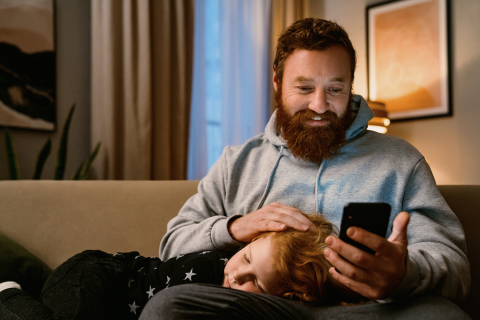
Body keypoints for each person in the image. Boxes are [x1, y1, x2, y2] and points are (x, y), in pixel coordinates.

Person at [143, 18, 471, 319]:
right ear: (277, 82)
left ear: (350, 86)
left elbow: (455, 267)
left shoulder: (400, 161)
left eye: (335, 89)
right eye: (304, 88)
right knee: (168, 307)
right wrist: (236, 227)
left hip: (364, 311)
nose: (319, 105)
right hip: (262, 309)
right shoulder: (238, 161)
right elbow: (172, 244)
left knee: (443, 315)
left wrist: (402, 274)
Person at [0, 214, 364, 319]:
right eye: (247, 259)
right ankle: (9, 295)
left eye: (255, 281)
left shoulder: (238, 307)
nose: (237, 274)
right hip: (98, 276)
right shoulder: (216, 268)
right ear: (249, 244)